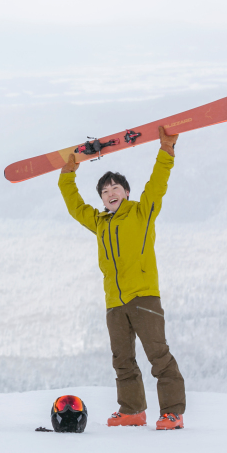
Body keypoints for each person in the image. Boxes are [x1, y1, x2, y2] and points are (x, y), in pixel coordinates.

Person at [58, 126, 186, 430]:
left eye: (115, 188)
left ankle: (172, 412)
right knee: (122, 360)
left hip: (143, 296)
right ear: (102, 199)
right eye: (105, 190)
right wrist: (67, 174)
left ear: (126, 192)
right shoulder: (99, 223)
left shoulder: (142, 212)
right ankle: (132, 411)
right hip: (114, 302)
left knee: (158, 356)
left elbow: (157, 185)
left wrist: (166, 150)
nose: (110, 192)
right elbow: (75, 207)